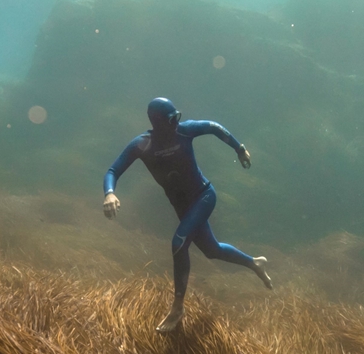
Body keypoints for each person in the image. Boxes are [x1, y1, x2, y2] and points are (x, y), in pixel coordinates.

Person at [103, 97, 271, 333]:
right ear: (157, 122)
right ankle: (254, 263)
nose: (176, 122)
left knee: (178, 243)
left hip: (203, 195)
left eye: (178, 117)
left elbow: (213, 127)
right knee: (212, 250)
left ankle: (178, 307)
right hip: (182, 206)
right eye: (171, 119)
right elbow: (113, 170)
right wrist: (109, 193)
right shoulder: (142, 145)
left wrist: (239, 148)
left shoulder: (185, 131)